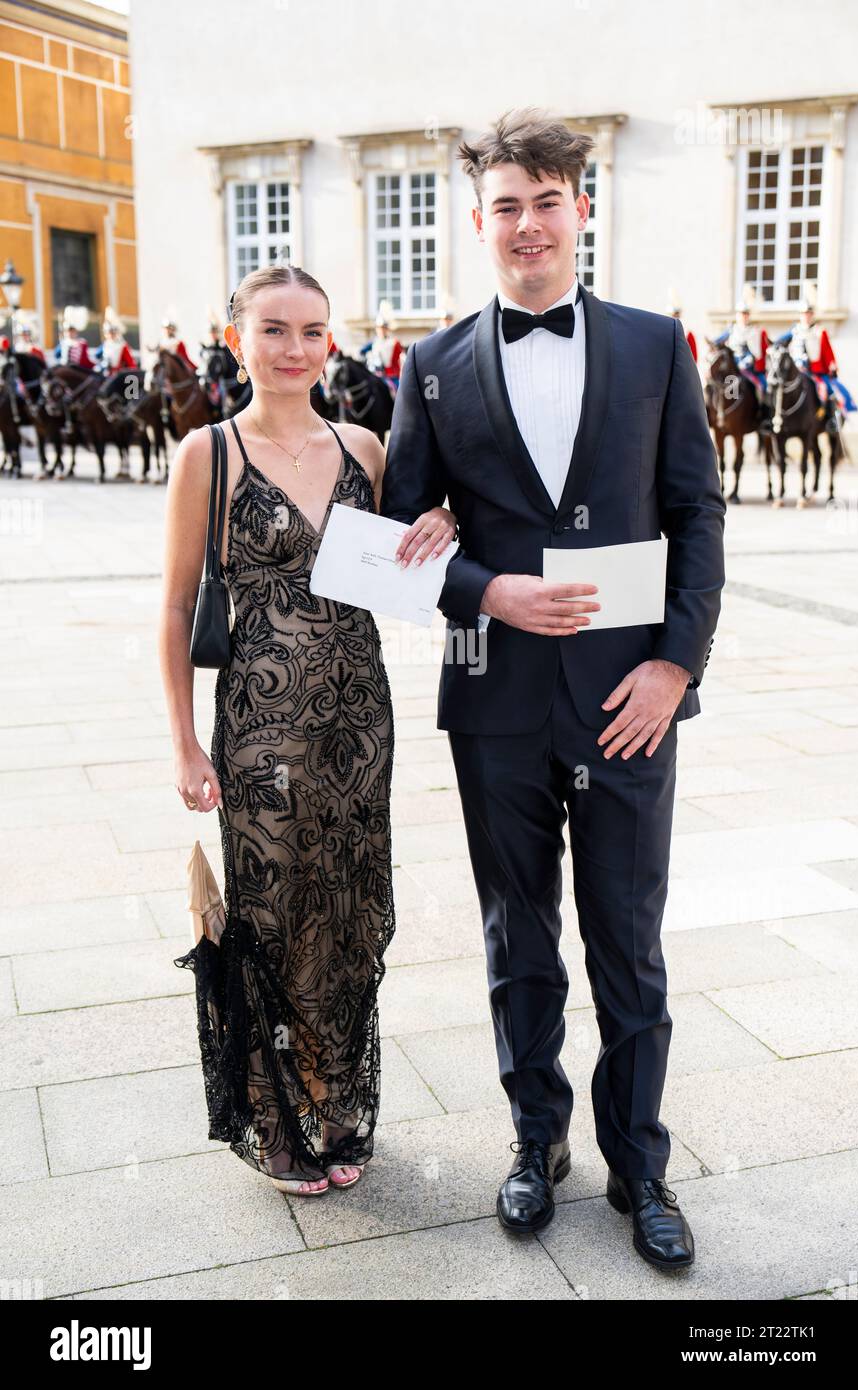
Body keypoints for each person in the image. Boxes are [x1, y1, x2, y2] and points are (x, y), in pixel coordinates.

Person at [382, 107, 725, 1269]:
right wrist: (486, 590)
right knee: (515, 941)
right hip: (496, 702)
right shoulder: (428, 369)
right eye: (504, 207)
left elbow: (694, 514)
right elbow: (401, 540)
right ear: (478, 222)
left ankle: (641, 1164)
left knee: (627, 943)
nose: (525, 225)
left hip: (628, 700)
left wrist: (674, 665)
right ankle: (536, 1142)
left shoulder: (650, 345)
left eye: (546, 201)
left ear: (580, 206)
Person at [160, 264, 456, 1197]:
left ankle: (334, 1102)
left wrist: (440, 523)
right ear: (237, 334)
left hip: (360, 717)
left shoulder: (365, 445)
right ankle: (274, 1118)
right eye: (276, 330)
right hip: (260, 722)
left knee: (351, 912)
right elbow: (173, 609)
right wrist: (183, 741)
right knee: (272, 912)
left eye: (314, 332)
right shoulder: (206, 454)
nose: (296, 350)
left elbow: (407, 559)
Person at [776, 301, 858, 419]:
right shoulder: (794, 331)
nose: (806, 316)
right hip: (798, 370)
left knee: (829, 390)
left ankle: (830, 419)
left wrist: (832, 367)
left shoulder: (819, 331)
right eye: (804, 314)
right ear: (800, 315)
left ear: (812, 315)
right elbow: (779, 342)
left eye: (809, 314)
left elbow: (827, 351)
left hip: (815, 371)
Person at [712, 300, 769, 396]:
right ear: (737, 315)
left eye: (746, 314)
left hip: (746, 365)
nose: (743, 316)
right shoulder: (731, 329)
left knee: (762, 385)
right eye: (741, 314)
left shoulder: (753, 331)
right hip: (731, 364)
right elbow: (717, 342)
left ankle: (761, 407)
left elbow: (756, 353)